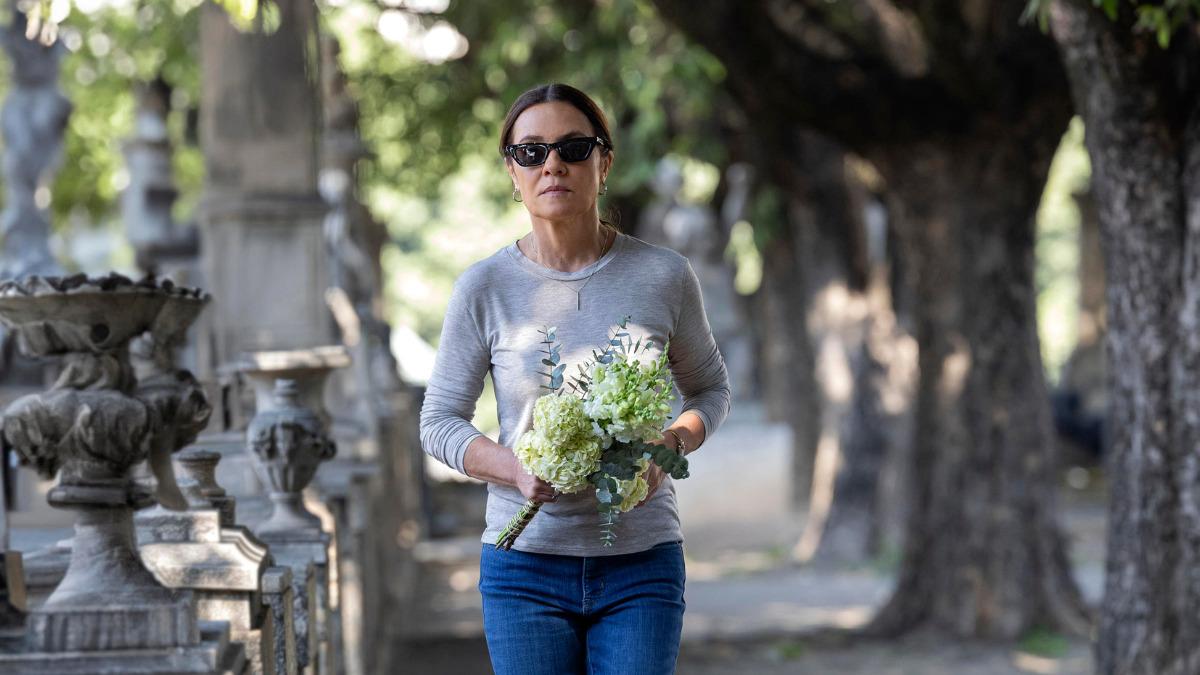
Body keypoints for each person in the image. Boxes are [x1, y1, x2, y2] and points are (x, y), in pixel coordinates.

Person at [419, 83, 730, 675]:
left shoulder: (665, 275)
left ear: (604, 162)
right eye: (530, 152)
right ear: (512, 171)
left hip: (642, 564)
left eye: (573, 147)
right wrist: (514, 469)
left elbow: (710, 390)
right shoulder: (482, 288)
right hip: (524, 571)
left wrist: (673, 443)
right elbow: (437, 423)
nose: (552, 164)